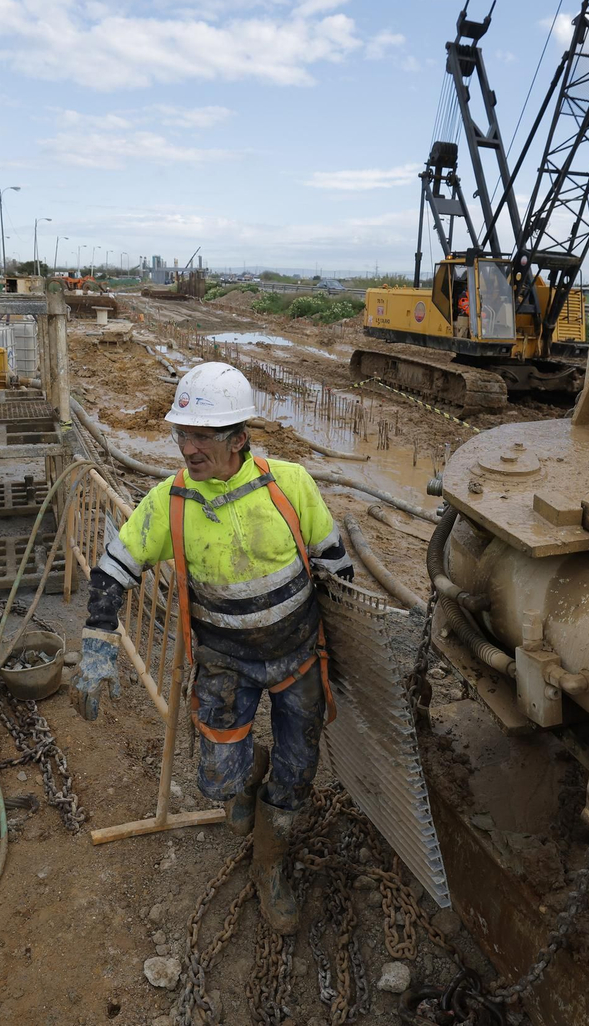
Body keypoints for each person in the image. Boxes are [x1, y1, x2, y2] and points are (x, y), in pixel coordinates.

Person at [73, 362, 354, 934]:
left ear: (239, 439)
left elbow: (336, 570)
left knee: (299, 775)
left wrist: (355, 659)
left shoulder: (290, 484)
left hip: (300, 659)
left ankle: (270, 866)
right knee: (218, 781)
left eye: (201, 436)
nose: (187, 446)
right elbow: (111, 572)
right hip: (226, 664)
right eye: (182, 433)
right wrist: (97, 646)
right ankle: (249, 776)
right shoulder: (169, 502)